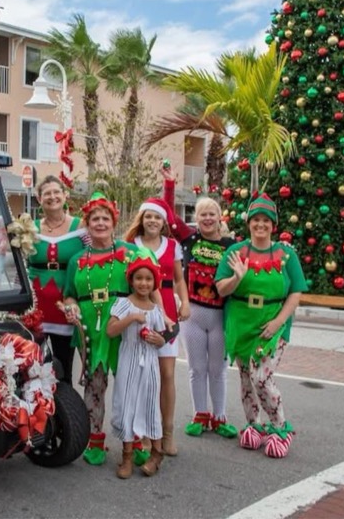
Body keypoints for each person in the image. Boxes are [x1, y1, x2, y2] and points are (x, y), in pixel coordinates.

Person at [58, 191, 154, 466]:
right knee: (94, 385)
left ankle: (133, 440)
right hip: (90, 329)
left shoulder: (131, 252)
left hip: (124, 327)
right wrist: (71, 306)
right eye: (94, 219)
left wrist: (164, 316)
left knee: (130, 386)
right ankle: (95, 440)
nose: (100, 223)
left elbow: (151, 283)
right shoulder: (77, 260)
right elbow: (69, 294)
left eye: (105, 218)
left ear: (114, 222)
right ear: (87, 224)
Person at [215, 193, 308, 459]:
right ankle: (253, 424)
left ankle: (280, 426)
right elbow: (221, 289)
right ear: (249, 223)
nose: (260, 225)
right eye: (256, 219)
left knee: (261, 376)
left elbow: (296, 292)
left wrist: (279, 321)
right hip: (241, 322)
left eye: (265, 220)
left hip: (273, 324)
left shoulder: (286, 254)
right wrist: (236, 277)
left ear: (273, 224)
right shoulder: (235, 252)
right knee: (246, 377)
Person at [161, 167, 237, 440]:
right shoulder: (189, 239)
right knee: (197, 369)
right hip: (193, 314)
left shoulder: (232, 245)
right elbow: (168, 216)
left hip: (219, 316)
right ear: (197, 218)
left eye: (211, 214)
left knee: (218, 370)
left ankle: (219, 417)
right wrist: (169, 183)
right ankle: (199, 415)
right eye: (202, 214)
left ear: (220, 218)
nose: (206, 218)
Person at [123, 196, 189, 456]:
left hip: (167, 315)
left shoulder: (173, 246)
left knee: (167, 376)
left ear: (164, 222)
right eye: (148, 215)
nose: (152, 220)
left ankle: (168, 432)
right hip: (141, 314)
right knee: (143, 378)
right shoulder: (131, 245)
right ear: (142, 219)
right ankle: (146, 433)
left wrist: (185, 303)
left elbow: (179, 279)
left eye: (157, 217)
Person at [107, 256, 167, 478]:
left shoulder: (155, 309)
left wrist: (159, 341)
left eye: (149, 279)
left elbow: (162, 338)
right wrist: (131, 317)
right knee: (126, 404)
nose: (144, 283)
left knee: (150, 404)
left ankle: (156, 453)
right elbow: (111, 330)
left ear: (154, 282)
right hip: (129, 360)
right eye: (139, 278)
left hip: (149, 363)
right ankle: (127, 456)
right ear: (131, 280)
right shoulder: (124, 304)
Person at [27, 175, 86, 385]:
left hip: (66, 306)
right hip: (35, 307)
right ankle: (38, 413)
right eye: (46, 193)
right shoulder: (28, 228)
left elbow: (94, 256)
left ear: (65, 195)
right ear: (39, 199)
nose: (52, 197)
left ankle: (64, 414)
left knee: (63, 367)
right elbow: (18, 263)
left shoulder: (82, 227)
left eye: (56, 192)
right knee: (33, 365)